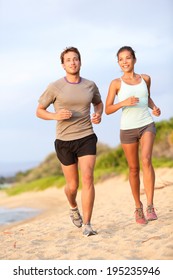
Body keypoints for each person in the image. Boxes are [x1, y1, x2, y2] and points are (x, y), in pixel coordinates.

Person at [36, 47, 103, 236]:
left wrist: (97, 113)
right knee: (72, 186)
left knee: (88, 178)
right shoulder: (55, 86)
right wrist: (56, 115)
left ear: (80, 62)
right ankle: (73, 206)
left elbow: (98, 102)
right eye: (68, 60)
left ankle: (88, 224)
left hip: (86, 136)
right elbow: (39, 110)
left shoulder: (90, 85)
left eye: (75, 59)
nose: (72, 62)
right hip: (64, 141)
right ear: (63, 65)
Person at [105, 46, 161, 225]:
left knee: (146, 160)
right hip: (127, 129)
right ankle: (138, 208)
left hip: (146, 124)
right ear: (118, 63)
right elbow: (107, 109)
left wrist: (154, 107)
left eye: (128, 58)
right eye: (121, 59)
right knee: (133, 169)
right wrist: (124, 102)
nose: (125, 62)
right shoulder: (116, 83)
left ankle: (150, 206)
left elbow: (147, 98)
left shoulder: (145, 78)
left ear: (134, 60)